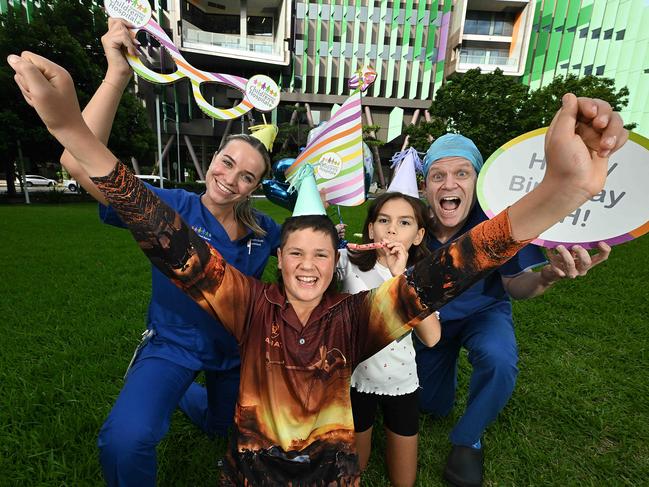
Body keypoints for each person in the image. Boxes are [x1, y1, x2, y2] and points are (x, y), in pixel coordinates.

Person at [9, 50, 628, 485]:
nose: (308, 266)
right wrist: (67, 124)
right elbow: (158, 227)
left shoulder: (359, 319)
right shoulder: (245, 302)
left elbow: (454, 269)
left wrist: (562, 191)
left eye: (321, 255)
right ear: (274, 259)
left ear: (339, 264)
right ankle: (192, 403)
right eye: (296, 253)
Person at [58, 20, 281, 486]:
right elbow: (75, 159)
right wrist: (116, 73)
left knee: (229, 432)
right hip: (173, 344)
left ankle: (189, 399)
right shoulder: (170, 207)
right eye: (227, 162)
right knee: (126, 437)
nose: (231, 178)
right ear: (213, 160)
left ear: (255, 188)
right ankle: (168, 388)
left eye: (247, 176)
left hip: (235, 354)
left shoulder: (265, 229)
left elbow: (318, 255)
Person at [416, 133, 614, 487]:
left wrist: (548, 276)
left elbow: (517, 287)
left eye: (462, 174)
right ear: (425, 185)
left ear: (477, 181)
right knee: (432, 406)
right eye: (438, 176)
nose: (449, 183)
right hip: (432, 321)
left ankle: (468, 438)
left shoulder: (501, 221)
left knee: (499, 360)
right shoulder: (412, 223)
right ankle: (440, 387)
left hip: (484, 313)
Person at [340, 190, 441, 487]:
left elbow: (432, 337)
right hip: (355, 381)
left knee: (404, 480)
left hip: (401, 382)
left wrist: (401, 277)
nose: (392, 229)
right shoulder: (346, 261)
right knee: (353, 468)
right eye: (383, 220)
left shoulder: (421, 276)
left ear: (419, 235)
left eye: (404, 223)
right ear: (371, 228)